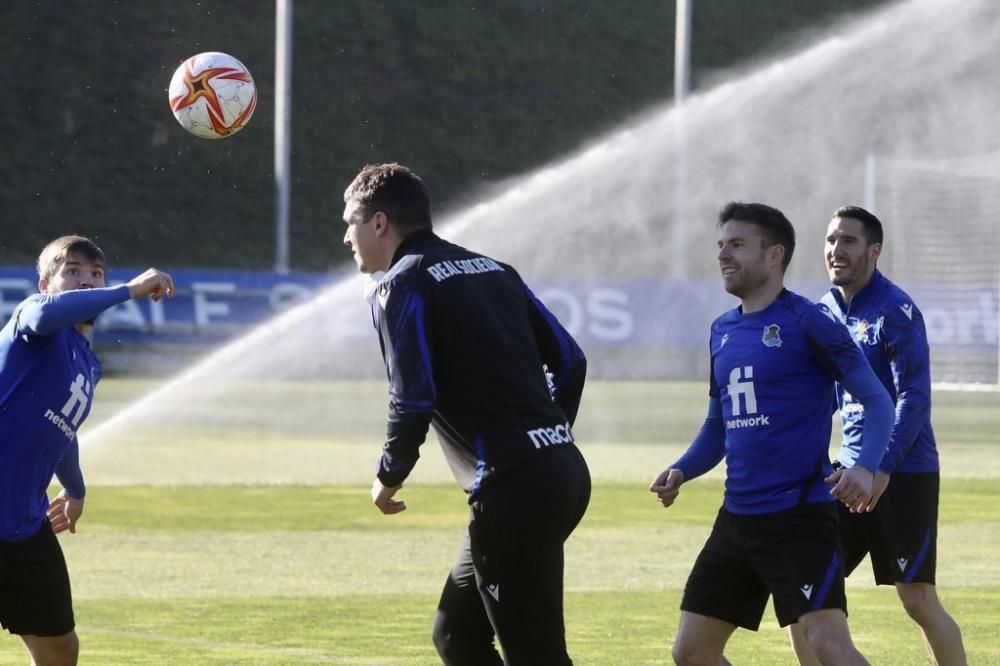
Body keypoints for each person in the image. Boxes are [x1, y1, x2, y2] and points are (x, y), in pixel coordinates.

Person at [341, 163, 590, 665]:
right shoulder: (494, 269)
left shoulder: (399, 285)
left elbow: (412, 397)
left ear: (380, 223)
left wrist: (388, 476)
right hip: (560, 471)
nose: (347, 236)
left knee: (536, 656)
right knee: (455, 635)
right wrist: (548, 436)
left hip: (512, 488)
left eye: (351, 222)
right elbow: (571, 361)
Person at [649, 202, 895, 666]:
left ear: (774, 254)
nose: (724, 255)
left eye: (738, 245)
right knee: (693, 652)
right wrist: (682, 469)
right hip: (736, 520)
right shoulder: (721, 330)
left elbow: (878, 399)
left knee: (827, 646)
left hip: (799, 519)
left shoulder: (809, 321)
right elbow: (717, 427)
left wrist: (865, 467)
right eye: (721, 245)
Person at [788, 206, 967, 665]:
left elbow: (915, 397)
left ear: (874, 250)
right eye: (830, 240)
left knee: (917, 599)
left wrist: (881, 467)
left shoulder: (896, 310)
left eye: (847, 240)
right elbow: (822, 395)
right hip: (845, 474)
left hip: (902, 472)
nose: (835, 250)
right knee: (802, 594)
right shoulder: (822, 311)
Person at [0, 235, 174, 665]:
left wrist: (75, 489)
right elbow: (44, 314)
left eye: (95, 274)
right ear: (45, 283)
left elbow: (62, 428)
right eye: (72, 272)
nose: (85, 281)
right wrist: (129, 290)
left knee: (60, 647)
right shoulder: (33, 319)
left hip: (25, 523)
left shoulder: (87, 364)